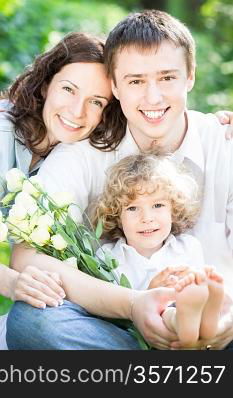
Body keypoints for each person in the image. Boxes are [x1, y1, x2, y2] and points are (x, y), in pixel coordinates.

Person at [5, 10, 233, 350]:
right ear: (114, 85)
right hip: (114, 329)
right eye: (136, 81)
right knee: (33, 321)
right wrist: (132, 304)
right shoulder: (84, 151)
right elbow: (27, 257)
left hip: (221, 325)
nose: (153, 98)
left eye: (167, 78)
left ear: (190, 76)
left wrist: (224, 323)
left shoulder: (223, 143)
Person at [0, 31, 112, 349]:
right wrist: (12, 282)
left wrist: (211, 126)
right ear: (47, 83)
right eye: (68, 89)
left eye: (96, 101)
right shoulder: (3, 134)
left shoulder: (77, 154)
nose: (78, 112)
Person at [92, 153, 225, 346]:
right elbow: (112, 316)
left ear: (174, 209)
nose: (147, 218)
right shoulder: (107, 257)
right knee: (169, 312)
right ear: (116, 214)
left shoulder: (189, 247)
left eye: (157, 205)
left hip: (188, 318)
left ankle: (206, 314)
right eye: (132, 208)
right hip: (142, 333)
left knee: (186, 301)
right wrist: (150, 293)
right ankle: (186, 322)